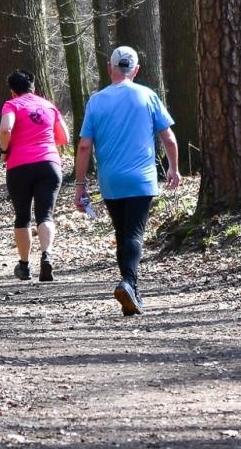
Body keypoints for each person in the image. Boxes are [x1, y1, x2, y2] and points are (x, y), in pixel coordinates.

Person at [73, 45, 180, 316]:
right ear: (136, 70)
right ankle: (129, 283)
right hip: (141, 179)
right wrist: (173, 168)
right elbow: (168, 138)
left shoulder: (96, 101)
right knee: (133, 233)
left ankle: (130, 291)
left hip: (111, 181)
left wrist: (80, 185)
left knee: (122, 233)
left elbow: (84, 146)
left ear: (109, 68)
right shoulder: (148, 96)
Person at [0, 69, 69, 281]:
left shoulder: (12, 105)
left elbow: (5, 129)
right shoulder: (48, 105)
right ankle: (47, 255)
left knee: (22, 215)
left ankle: (24, 265)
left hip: (19, 165)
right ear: (33, 87)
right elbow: (64, 137)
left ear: (12, 91)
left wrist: (4, 150)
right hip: (49, 165)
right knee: (45, 214)